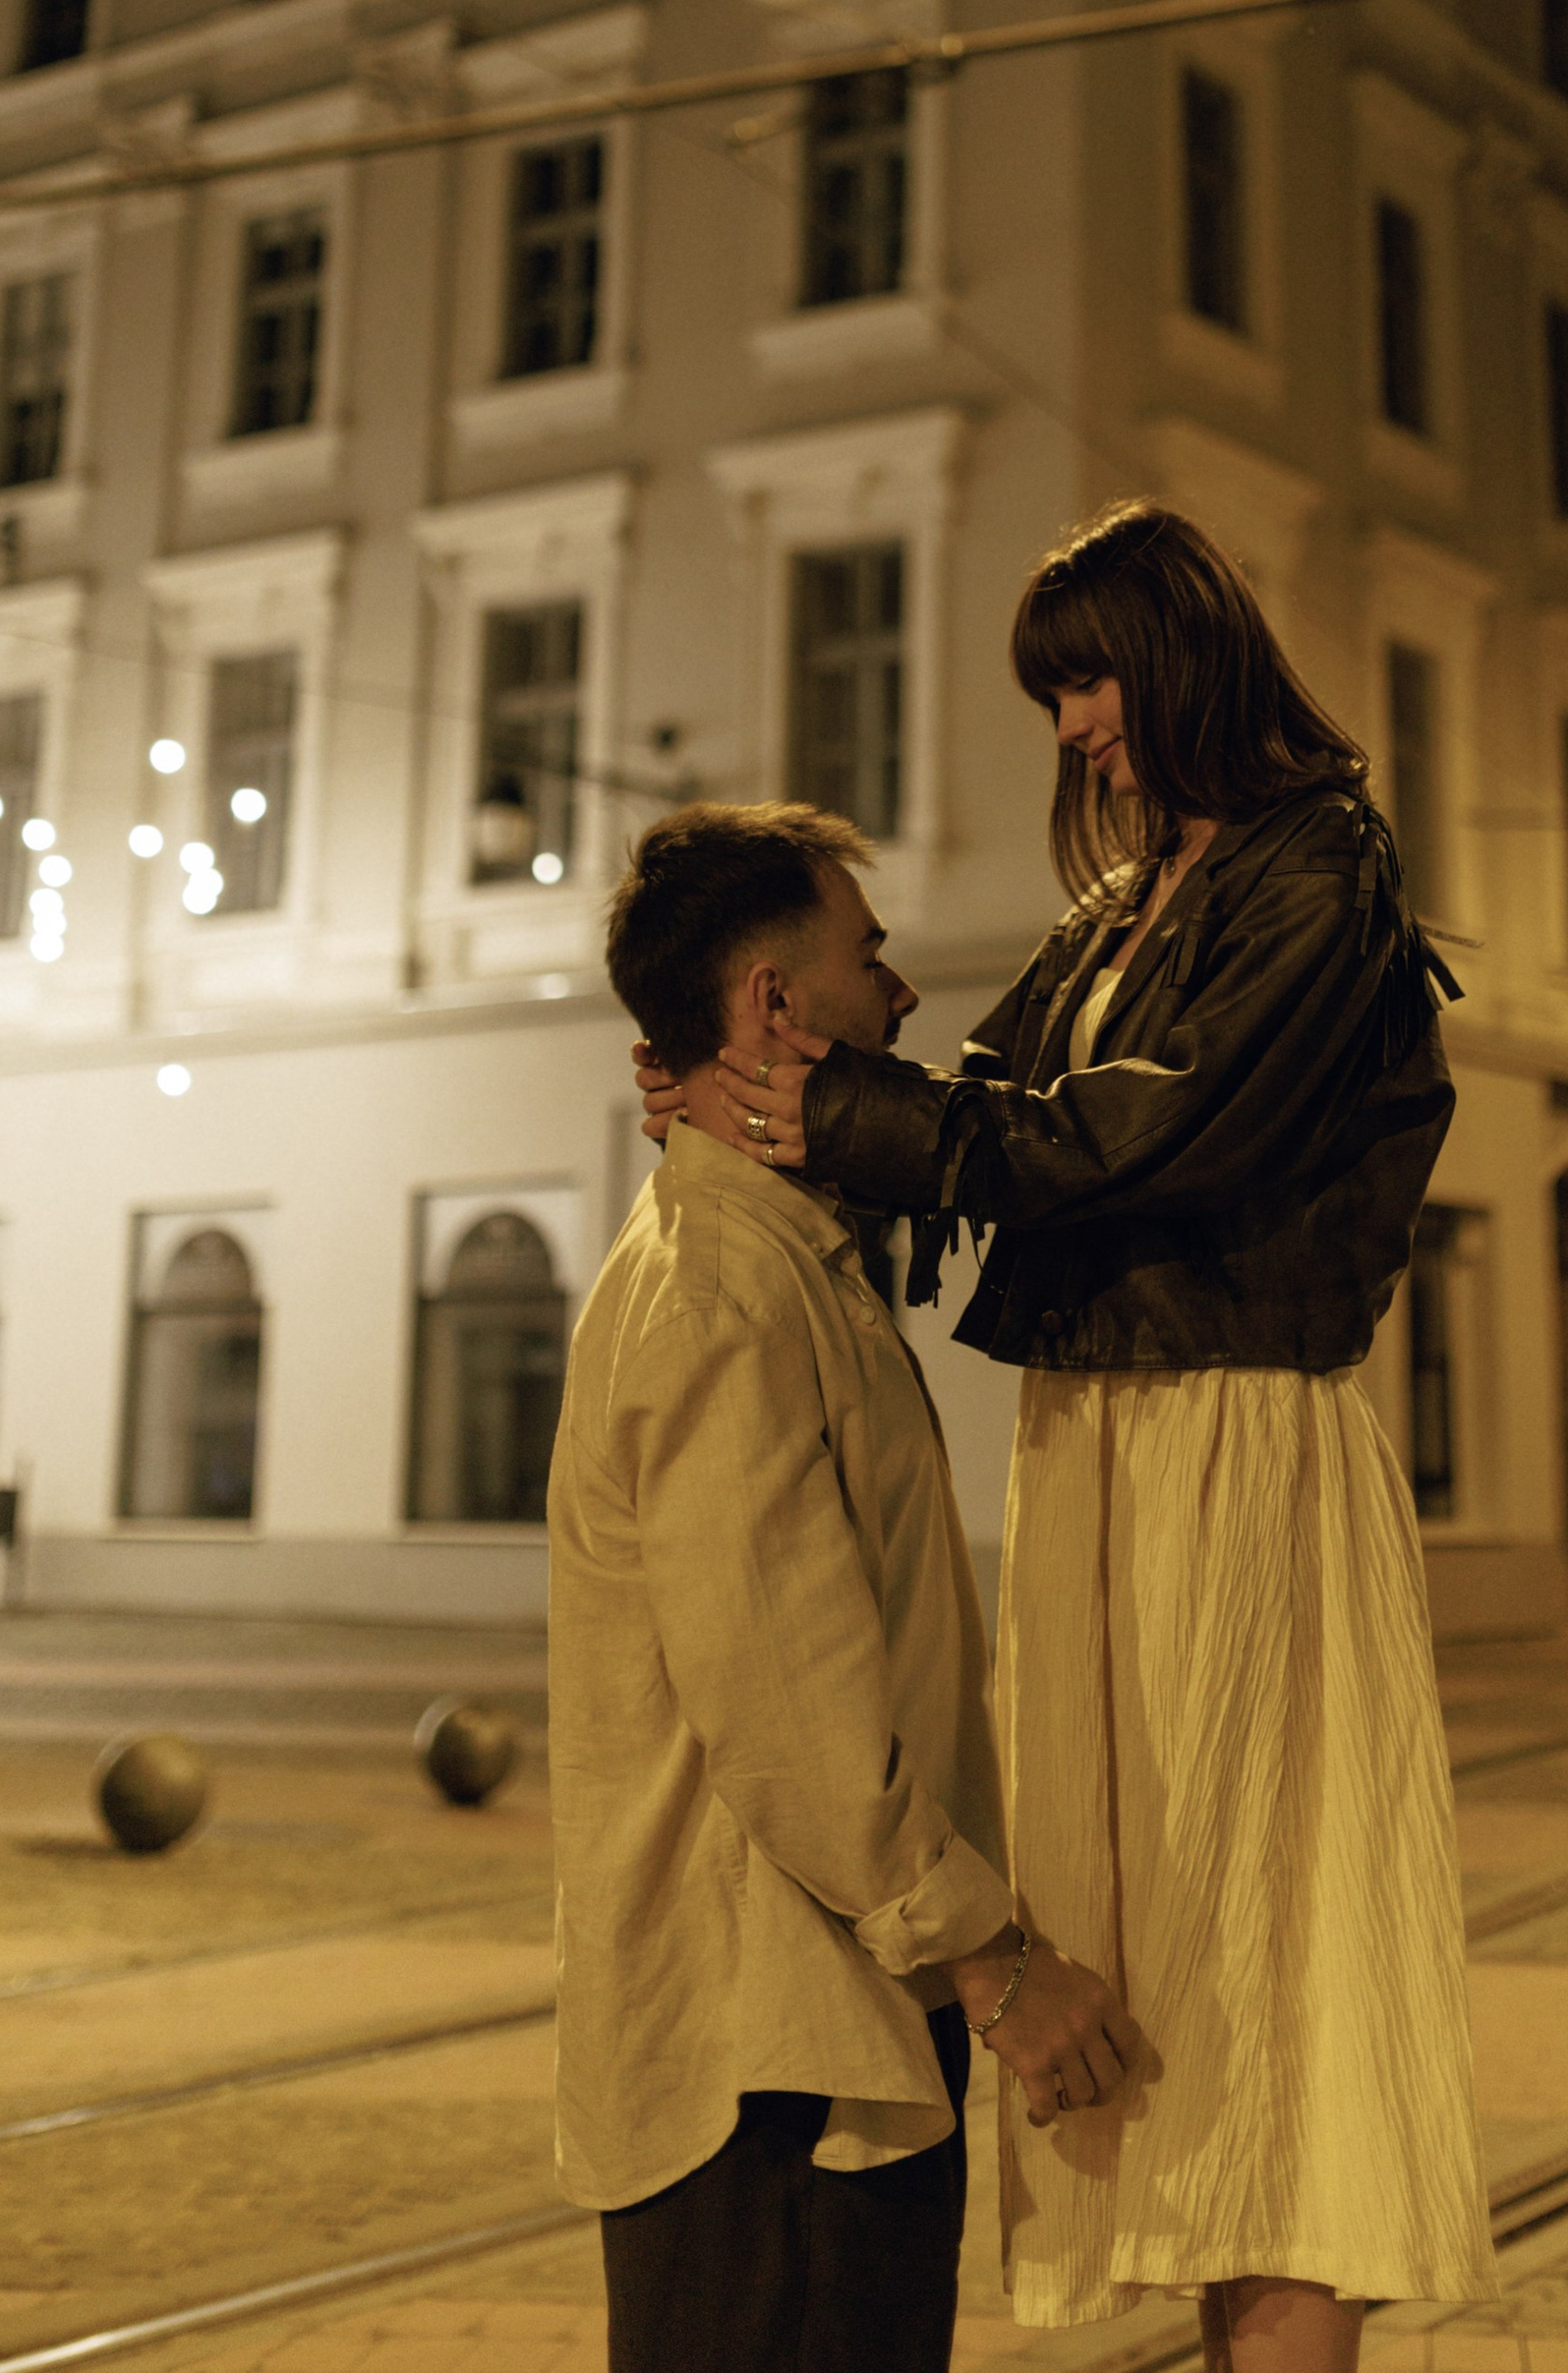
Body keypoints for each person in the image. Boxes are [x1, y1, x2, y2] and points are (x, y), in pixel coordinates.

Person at [658, 505, 1494, 2372]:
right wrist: (783, 1100)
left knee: (1272, 2022)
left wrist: (825, 1101)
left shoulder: (1320, 868)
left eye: (1091, 679)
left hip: (1234, 1447)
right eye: (1057, 694)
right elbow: (986, 1107)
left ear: (1180, 655)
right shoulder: (1132, 904)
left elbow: (1129, 1136)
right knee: (1178, 2024)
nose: (1074, 730)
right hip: (1106, 1451)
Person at [556, 799, 1138, 2373]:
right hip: (779, 2073)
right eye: (868, 960)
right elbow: (788, 1715)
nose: (900, 1001)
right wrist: (997, 1967)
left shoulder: (775, 1259)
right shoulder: (722, 1296)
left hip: (818, 2048)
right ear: (773, 1006)